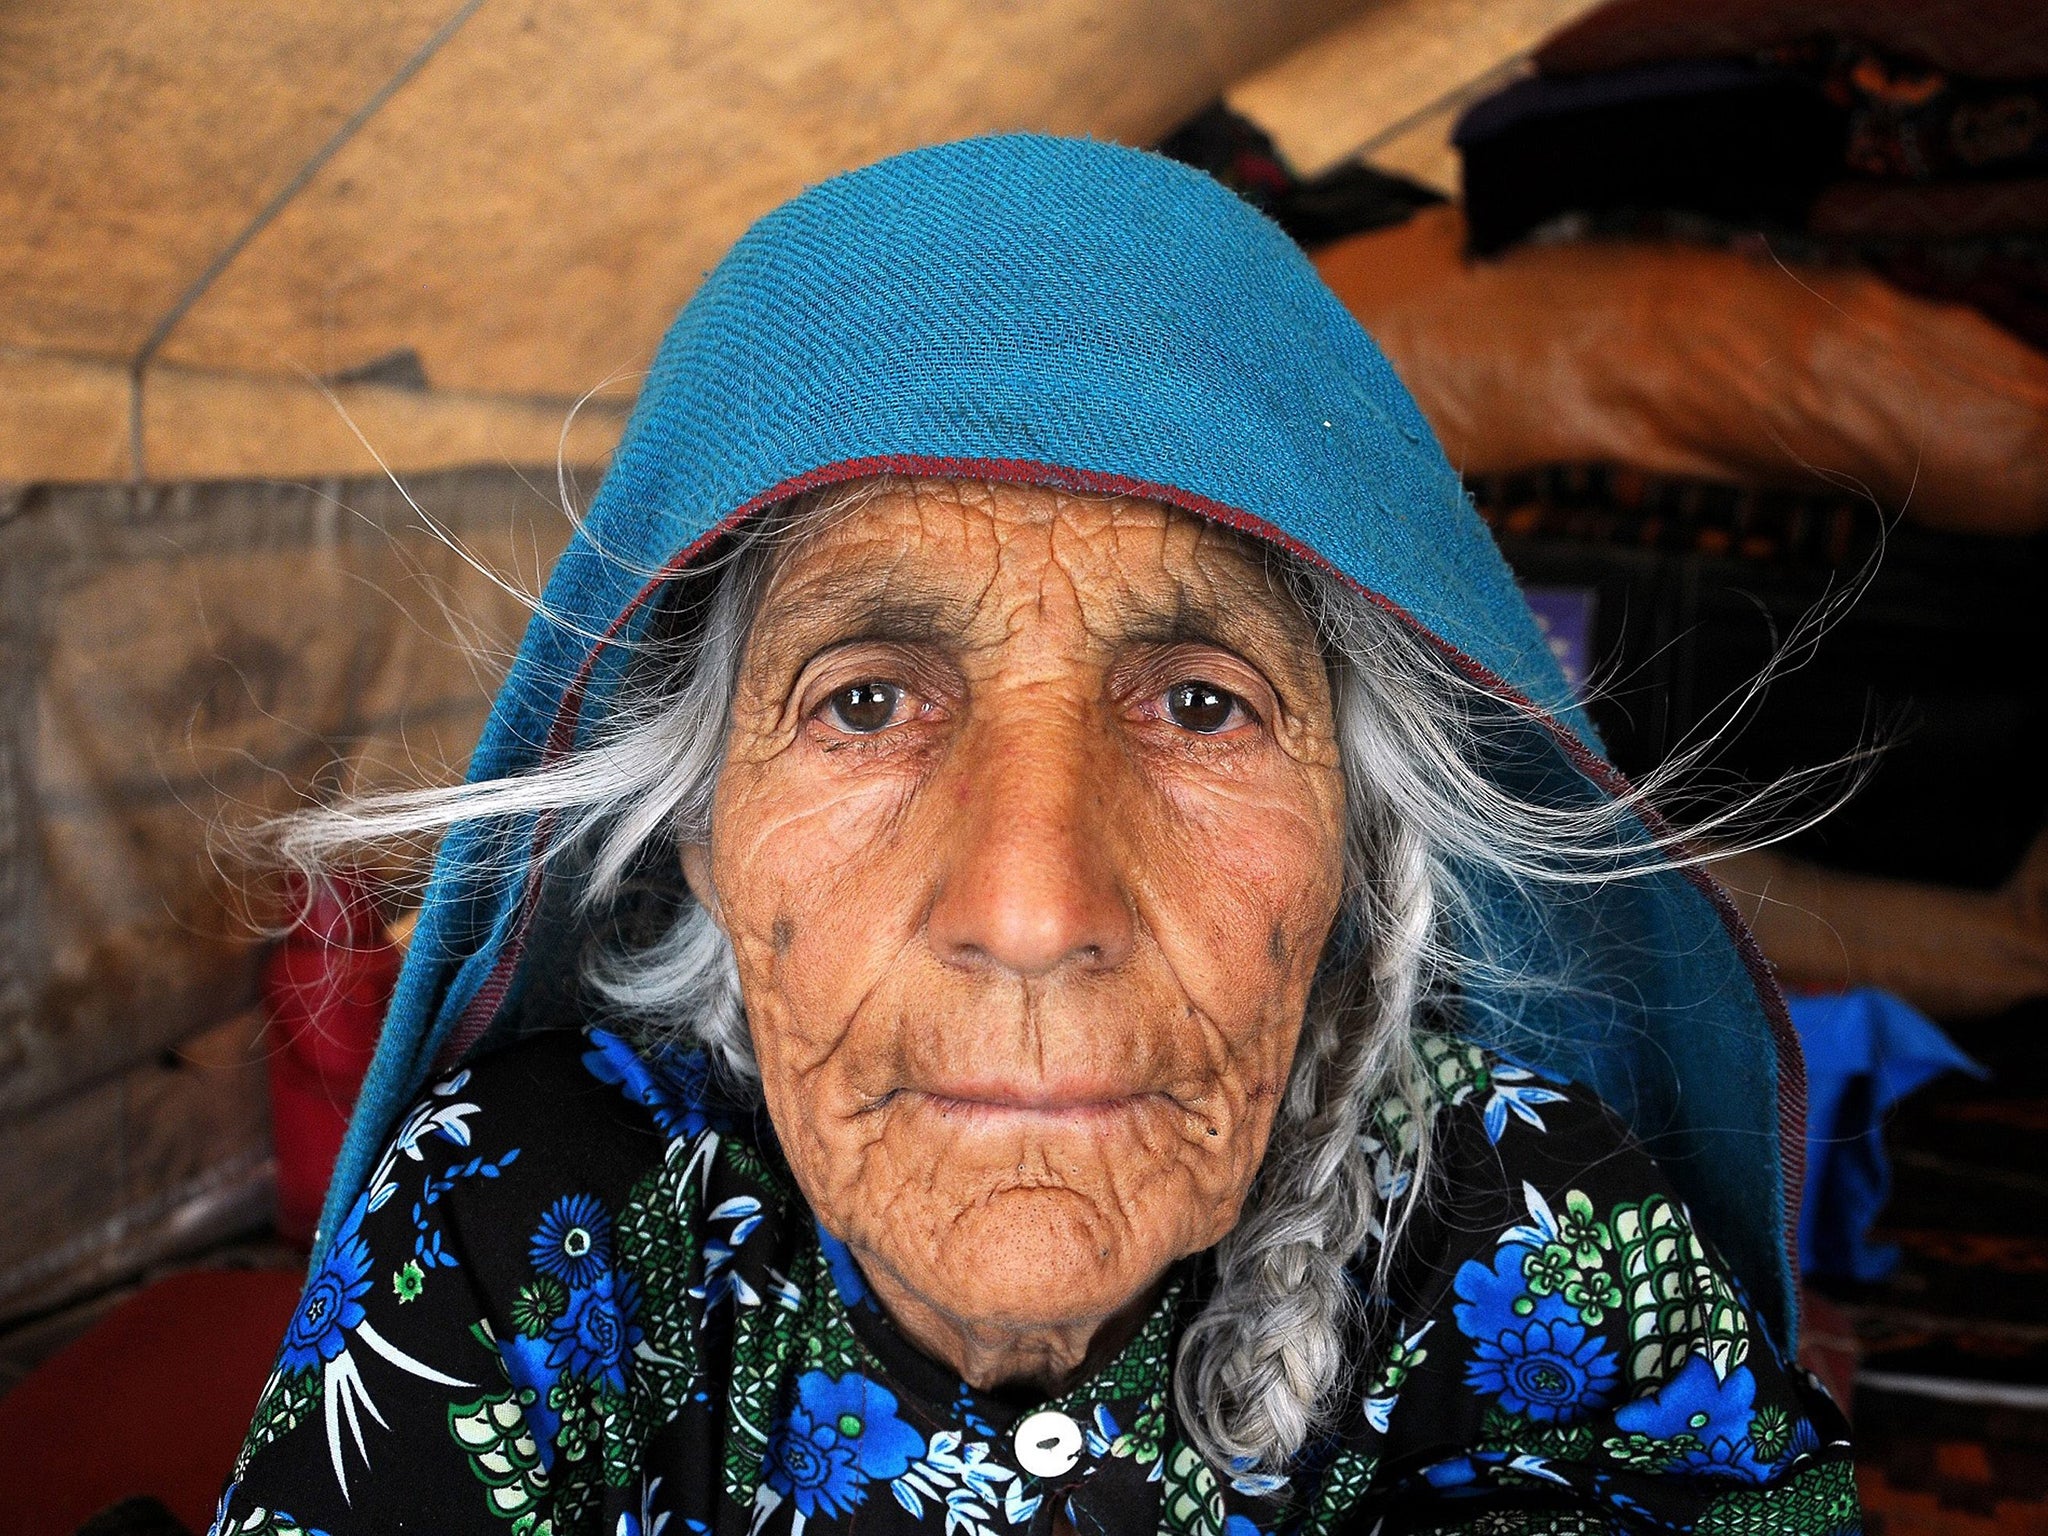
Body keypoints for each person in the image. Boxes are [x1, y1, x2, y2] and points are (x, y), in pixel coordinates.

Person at [213, 137, 1858, 1536]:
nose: (1031, 905)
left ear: (1355, 852)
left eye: (1203, 707)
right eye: (863, 704)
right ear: (704, 833)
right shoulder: (529, 1216)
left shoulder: (1521, 1225)